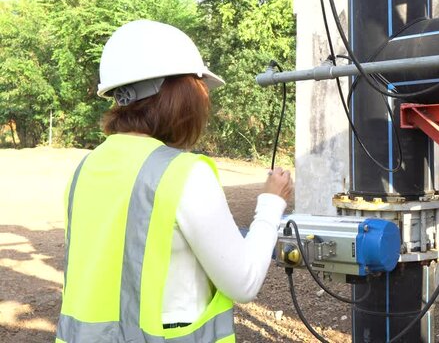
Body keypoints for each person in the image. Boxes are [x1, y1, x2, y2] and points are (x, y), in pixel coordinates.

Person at [55, 20, 293, 343]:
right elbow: (244, 281)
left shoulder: (85, 170)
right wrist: (271, 202)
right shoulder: (184, 175)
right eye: (199, 90)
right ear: (176, 95)